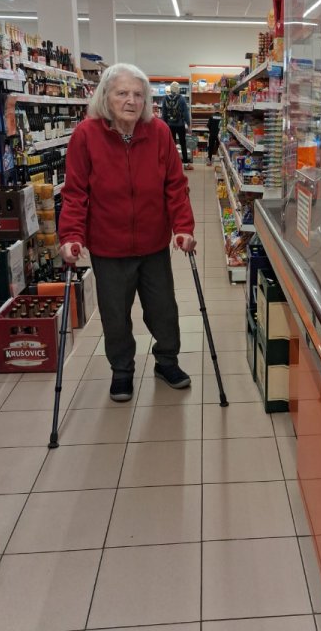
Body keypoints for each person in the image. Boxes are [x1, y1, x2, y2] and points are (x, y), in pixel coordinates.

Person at [58, 63, 197, 402]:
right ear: (106, 96)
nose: (131, 101)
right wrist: (71, 235)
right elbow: (75, 193)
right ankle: (122, 370)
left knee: (164, 310)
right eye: (122, 93)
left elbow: (175, 186)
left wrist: (183, 227)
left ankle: (167, 361)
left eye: (138, 94)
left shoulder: (159, 132)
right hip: (108, 246)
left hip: (153, 244)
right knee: (115, 315)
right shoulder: (85, 136)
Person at [162, 81, 193, 170]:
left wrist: (164, 125)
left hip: (169, 125)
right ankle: (186, 164)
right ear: (178, 89)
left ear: (171, 89)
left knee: (171, 145)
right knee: (183, 143)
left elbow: (164, 114)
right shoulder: (181, 99)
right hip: (180, 125)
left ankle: (172, 165)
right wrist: (188, 125)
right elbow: (185, 113)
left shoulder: (165, 98)